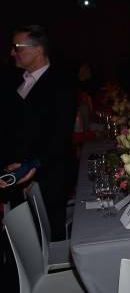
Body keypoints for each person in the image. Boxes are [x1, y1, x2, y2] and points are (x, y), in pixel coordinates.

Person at [0, 25, 76, 241]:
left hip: (47, 177)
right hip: (14, 174)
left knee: (47, 239)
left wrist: (35, 165)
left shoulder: (61, 84)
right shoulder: (15, 80)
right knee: (20, 240)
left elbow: (60, 136)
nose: (12, 52)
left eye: (17, 47)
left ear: (38, 49)